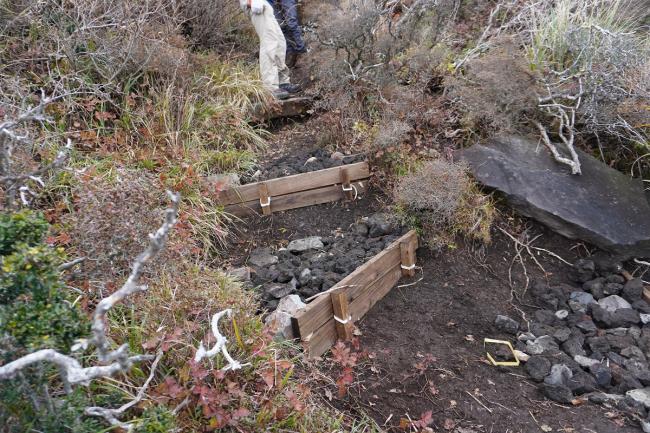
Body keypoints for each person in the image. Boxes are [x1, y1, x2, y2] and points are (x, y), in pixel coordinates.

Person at [239, 0, 301, 99]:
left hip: (265, 4)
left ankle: (282, 82)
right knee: (269, 43)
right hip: (256, 3)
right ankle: (270, 87)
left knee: (280, 42)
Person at [268, 0, 307, 67]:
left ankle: (301, 50)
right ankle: (290, 52)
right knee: (280, 27)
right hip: (270, 2)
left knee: (292, 22)